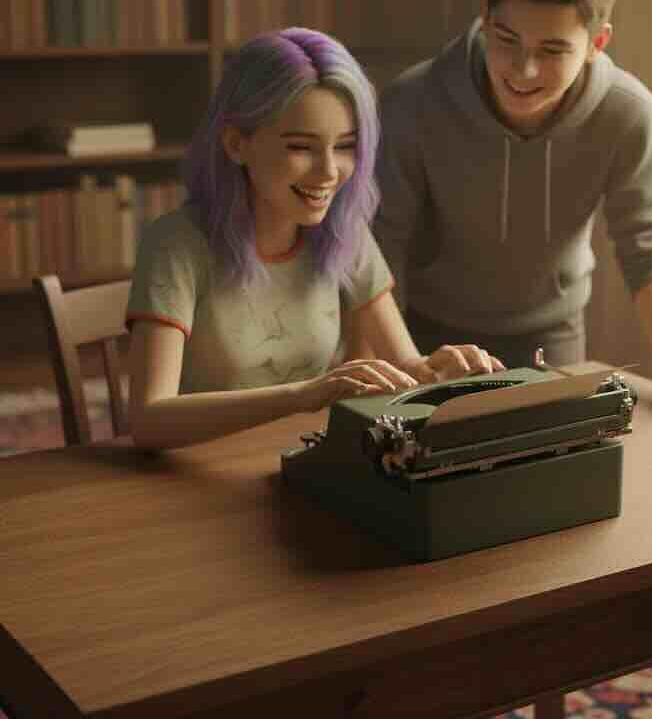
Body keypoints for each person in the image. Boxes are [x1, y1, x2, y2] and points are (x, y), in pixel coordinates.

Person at [373, 0, 652, 429]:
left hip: (554, 343)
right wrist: (402, 366)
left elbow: (650, 244)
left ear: (597, 41)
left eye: (552, 50)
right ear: (484, 15)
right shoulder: (410, 103)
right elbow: (379, 249)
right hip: (426, 341)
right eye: (506, 39)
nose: (522, 71)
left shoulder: (628, 114)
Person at [126, 29, 503, 449]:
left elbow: (406, 366)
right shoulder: (175, 245)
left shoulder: (346, 232)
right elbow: (148, 420)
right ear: (236, 143)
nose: (328, 172)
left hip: (300, 461)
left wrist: (441, 370)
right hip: (197, 476)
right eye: (302, 147)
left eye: (345, 147)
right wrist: (303, 396)